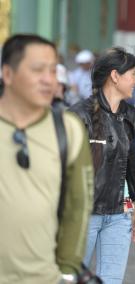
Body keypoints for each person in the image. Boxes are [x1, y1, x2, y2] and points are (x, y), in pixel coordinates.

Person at [0, 34, 94, 283]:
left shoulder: (69, 129)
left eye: (53, 71)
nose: (48, 80)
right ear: (7, 75)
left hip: (44, 277)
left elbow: (79, 206)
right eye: (38, 70)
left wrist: (67, 270)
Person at [70, 47, 135, 284]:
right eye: (132, 75)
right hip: (82, 216)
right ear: (115, 76)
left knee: (112, 281)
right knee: (72, 280)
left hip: (120, 215)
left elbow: (129, 166)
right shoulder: (78, 115)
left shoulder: (131, 115)